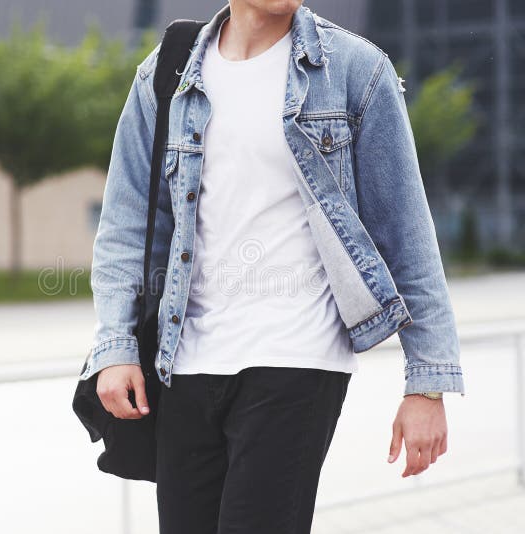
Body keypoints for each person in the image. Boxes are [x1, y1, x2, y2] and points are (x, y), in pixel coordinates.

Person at [79, 1, 466, 532]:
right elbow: (125, 223)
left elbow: (408, 237)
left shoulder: (354, 70)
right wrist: (116, 345)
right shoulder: (166, 72)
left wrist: (427, 384)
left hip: (297, 360)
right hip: (185, 362)